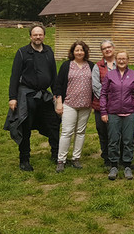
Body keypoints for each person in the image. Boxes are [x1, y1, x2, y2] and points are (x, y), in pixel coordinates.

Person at [4, 25, 59, 172]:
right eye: (35, 35)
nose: (38, 37)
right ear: (30, 37)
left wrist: (57, 95)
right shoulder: (22, 53)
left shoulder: (48, 52)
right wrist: (12, 97)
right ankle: (24, 159)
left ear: (44, 36)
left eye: (40, 34)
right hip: (26, 95)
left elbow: (54, 75)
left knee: (53, 123)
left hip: (44, 95)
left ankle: (56, 154)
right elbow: (14, 76)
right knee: (25, 126)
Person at [100, 51, 134, 180]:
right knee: (113, 140)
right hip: (113, 113)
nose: (121, 61)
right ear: (115, 60)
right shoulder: (110, 75)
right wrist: (103, 111)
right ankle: (114, 165)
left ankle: (127, 165)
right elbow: (103, 94)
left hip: (130, 113)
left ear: (128, 60)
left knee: (128, 140)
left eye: (124, 59)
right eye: (119, 59)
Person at [53, 41, 95, 173]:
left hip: (86, 105)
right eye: (76, 50)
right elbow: (58, 85)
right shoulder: (67, 66)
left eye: (82, 50)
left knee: (81, 132)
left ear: (85, 52)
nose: (79, 52)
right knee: (66, 132)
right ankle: (61, 160)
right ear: (72, 52)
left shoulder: (91, 66)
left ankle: (76, 158)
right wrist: (59, 102)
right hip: (69, 104)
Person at [92, 40, 116, 169]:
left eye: (109, 47)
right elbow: (96, 86)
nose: (107, 50)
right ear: (102, 51)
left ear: (113, 48)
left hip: (119, 106)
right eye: (104, 48)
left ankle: (119, 156)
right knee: (103, 132)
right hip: (101, 106)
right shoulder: (98, 66)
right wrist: (109, 97)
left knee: (117, 132)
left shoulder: (120, 63)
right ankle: (106, 157)